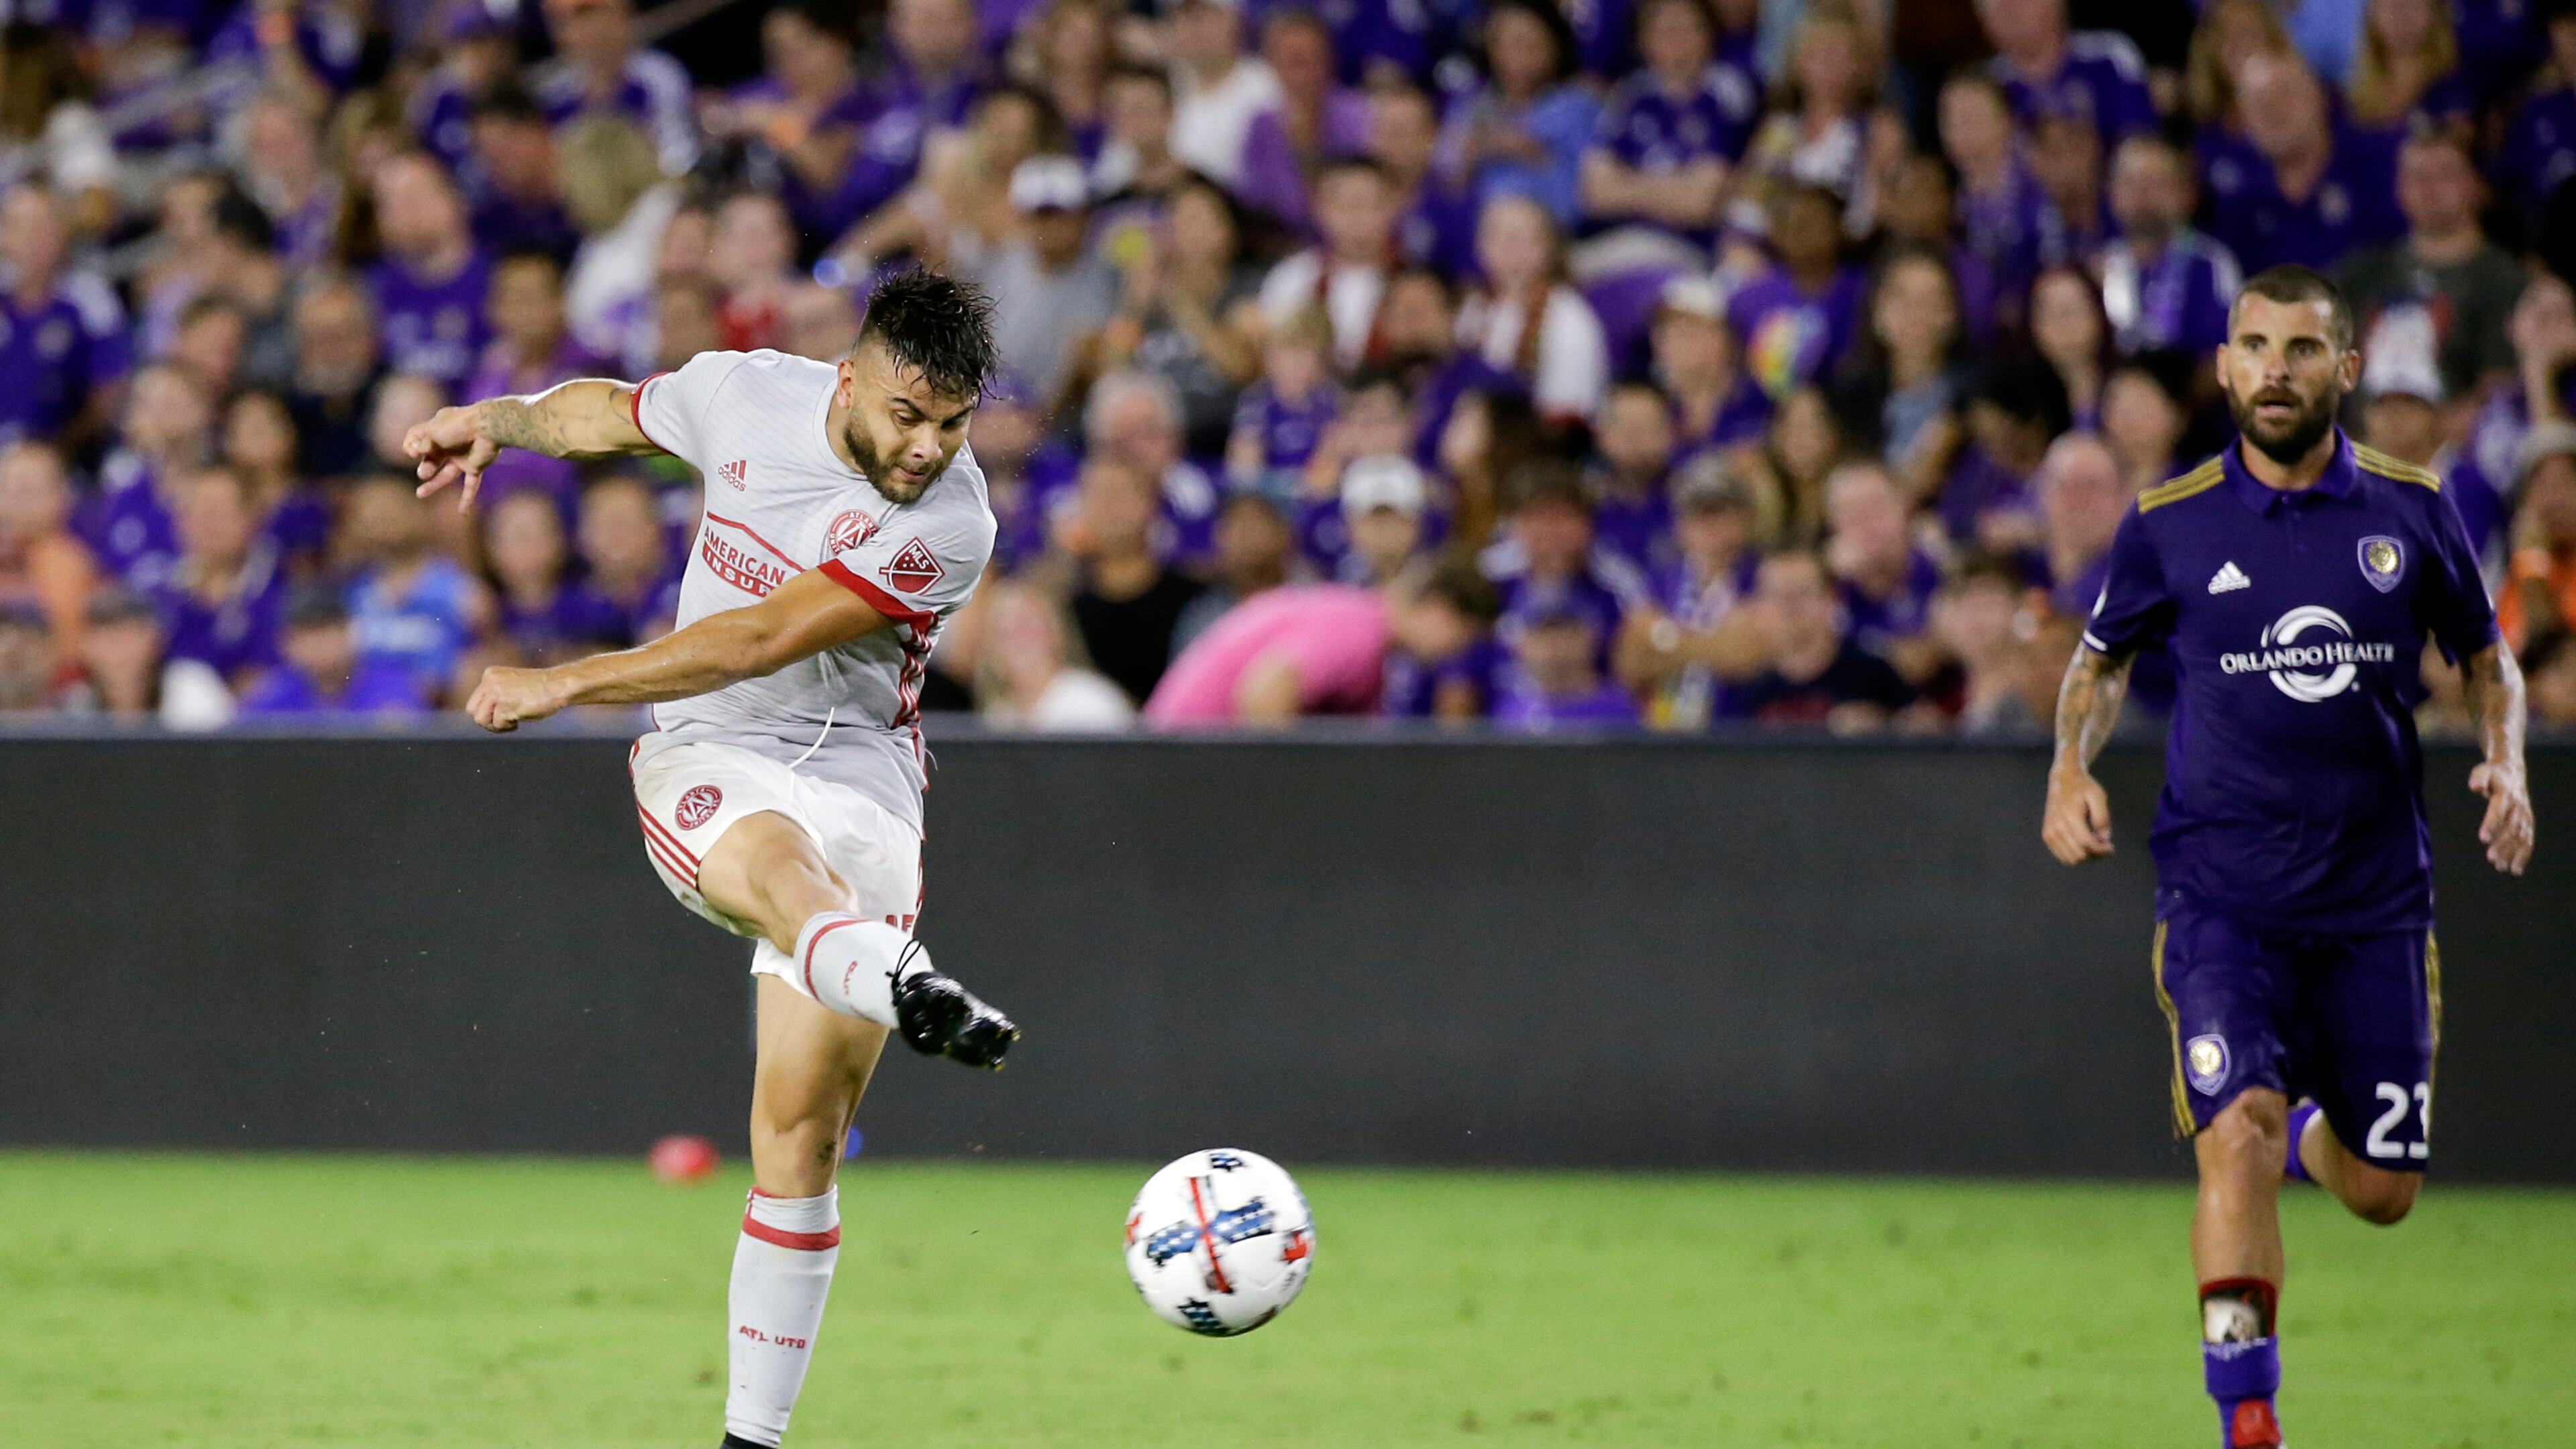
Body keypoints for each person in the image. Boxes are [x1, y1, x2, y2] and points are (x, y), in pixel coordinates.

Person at [398, 267, 1019, 1449]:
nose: (926, 448)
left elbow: (766, 634)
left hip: (866, 783)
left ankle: (749, 1443)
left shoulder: (953, 523)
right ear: (850, 378)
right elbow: (612, 413)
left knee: (799, 1140)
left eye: (952, 425)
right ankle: (892, 974)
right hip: (716, 753)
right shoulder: (744, 392)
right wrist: (500, 421)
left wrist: (565, 681)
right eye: (906, 415)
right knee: (784, 869)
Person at [2041, 266, 2533, 1449]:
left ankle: (2317, 1126)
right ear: (2223, 367)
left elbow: (2488, 655)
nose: (2275, 370)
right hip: (2222, 892)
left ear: (2345, 371)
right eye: (2254, 346)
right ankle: (2247, 1421)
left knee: (2382, 1193)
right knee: (2234, 1132)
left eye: (2302, 349)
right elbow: (2100, 661)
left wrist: (2507, 760)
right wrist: (2069, 766)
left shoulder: (2412, 512)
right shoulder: (2172, 520)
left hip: (2375, 902)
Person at [1142, 550, 1499, 724]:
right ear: (1438, 609)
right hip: (1179, 759)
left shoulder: (1366, 631)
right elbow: (1264, 698)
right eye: (1464, 635)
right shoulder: (1359, 628)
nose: (1460, 651)